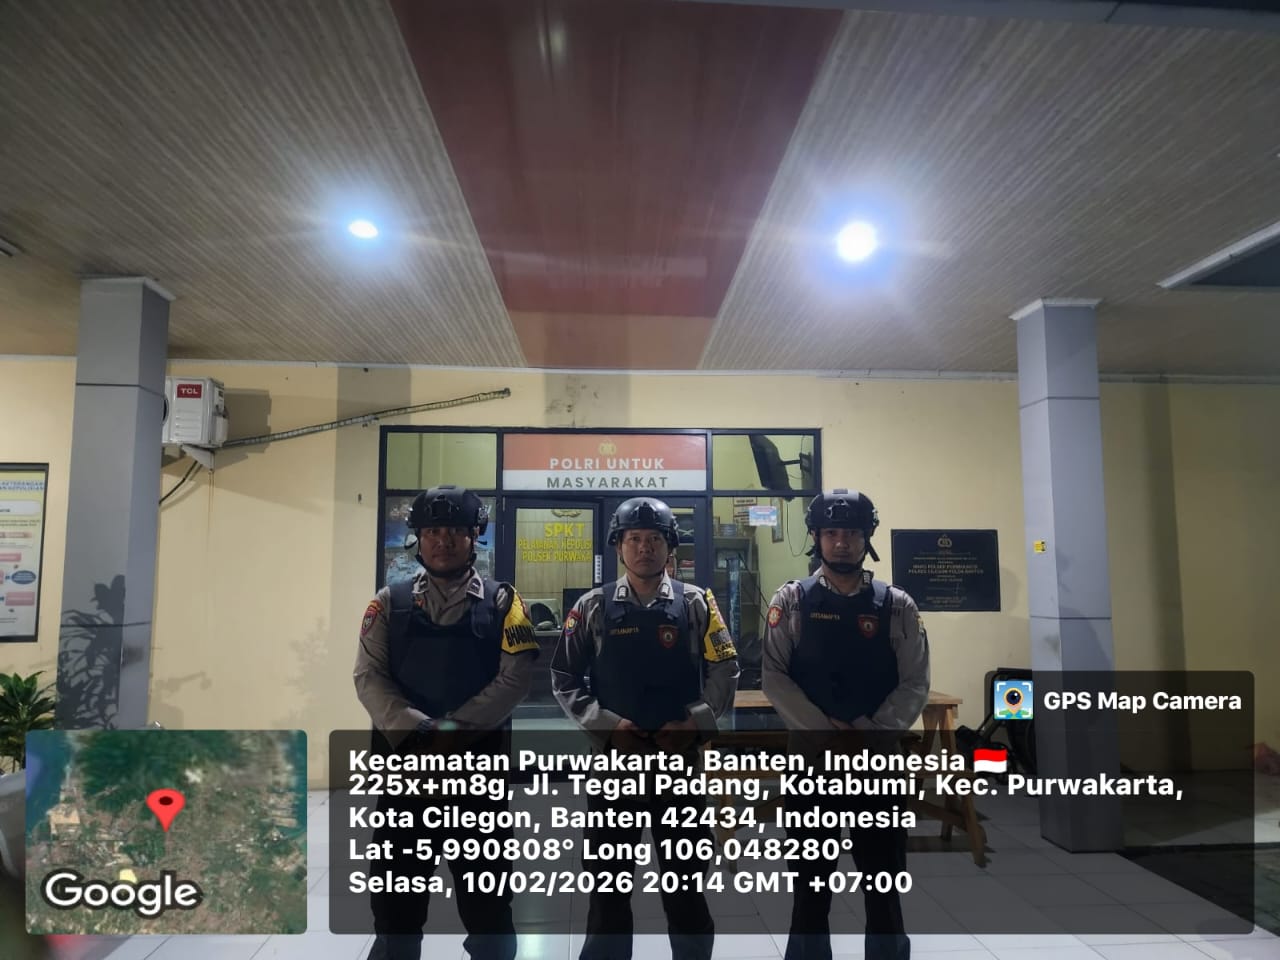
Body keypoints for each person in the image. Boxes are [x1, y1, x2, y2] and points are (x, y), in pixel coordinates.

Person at [353, 485, 539, 960]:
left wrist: (453, 730)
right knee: (395, 912)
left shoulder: (504, 602)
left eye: (455, 530)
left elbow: (516, 677)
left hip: (478, 788)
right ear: (418, 538)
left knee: (489, 911)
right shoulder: (388, 602)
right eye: (432, 531)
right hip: (405, 784)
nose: (443, 541)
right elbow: (368, 676)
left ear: (475, 536)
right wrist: (416, 729)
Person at [551, 496, 740, 960]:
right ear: (618, 546)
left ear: (670, 546)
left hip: (680, 770)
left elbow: (725, 668)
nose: (644, 548)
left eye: (654, 539)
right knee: (608, 890)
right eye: (633, 539)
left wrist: (696, 722)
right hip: (614, 770)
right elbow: (564, 676)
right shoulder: (592, 606)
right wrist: (607, 726)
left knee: (686, 888)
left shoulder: (697, 603)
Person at [762, 489, 929, 960]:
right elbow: (774, 676)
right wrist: (828, 735)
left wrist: (867, 735)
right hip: (812, 765)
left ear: (866, 537)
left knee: (884, 883)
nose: (841, 542)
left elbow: (915, 681)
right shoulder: (792, 600)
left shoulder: (897, 604)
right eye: (831, 532)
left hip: (878, 766)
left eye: (852, 533)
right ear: (816, 537)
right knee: (810, 887)